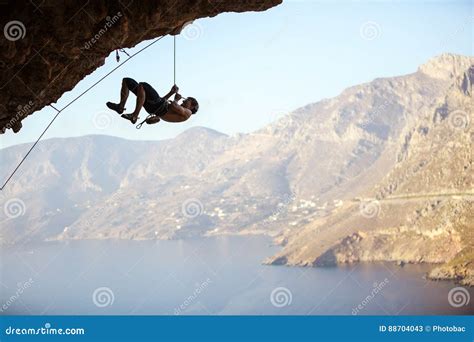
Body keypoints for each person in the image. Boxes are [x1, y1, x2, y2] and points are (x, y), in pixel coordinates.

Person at [106, 77, 199, 125]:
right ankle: (120, 107)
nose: (183, 101)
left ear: (192, 106)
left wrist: (176, 99)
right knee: (127, 81)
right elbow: (164, 102)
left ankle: (134, 115)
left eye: (187, 100)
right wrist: (171, 93)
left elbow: (173, 106)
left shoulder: (188, 113)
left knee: (143, 85)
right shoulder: (182, 110)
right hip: (153, 106)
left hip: (157, 106)